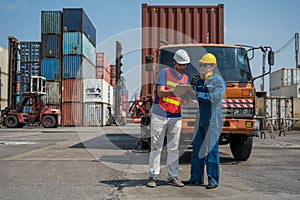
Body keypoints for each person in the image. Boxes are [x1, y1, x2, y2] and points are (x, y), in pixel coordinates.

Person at [147, 49, 191, 188]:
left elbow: (184, 99)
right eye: (180, 64)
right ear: (174, 62)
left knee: (173, 148)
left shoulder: (186, 78)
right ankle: (153, 176)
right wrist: (175, 91)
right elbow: (160, 93)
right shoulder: (164, 73)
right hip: (160, 114)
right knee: (156, 147)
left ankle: (172, 177)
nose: (183, 67)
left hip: (176, 115)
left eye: (185, 65)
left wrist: (186, 98)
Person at [183, 53, 226, 189]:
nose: (202, 67)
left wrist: (199, 94)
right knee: (197, 150)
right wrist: (189, 89)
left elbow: (216, 97)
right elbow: (191, 98)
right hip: (199, 119)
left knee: (212, 151)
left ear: (213, 66)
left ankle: (213, 179)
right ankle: (196, 178)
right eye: (201, 65)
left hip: (212, 119)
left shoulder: (218, 81)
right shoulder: (199, 81)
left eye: (205, 65)